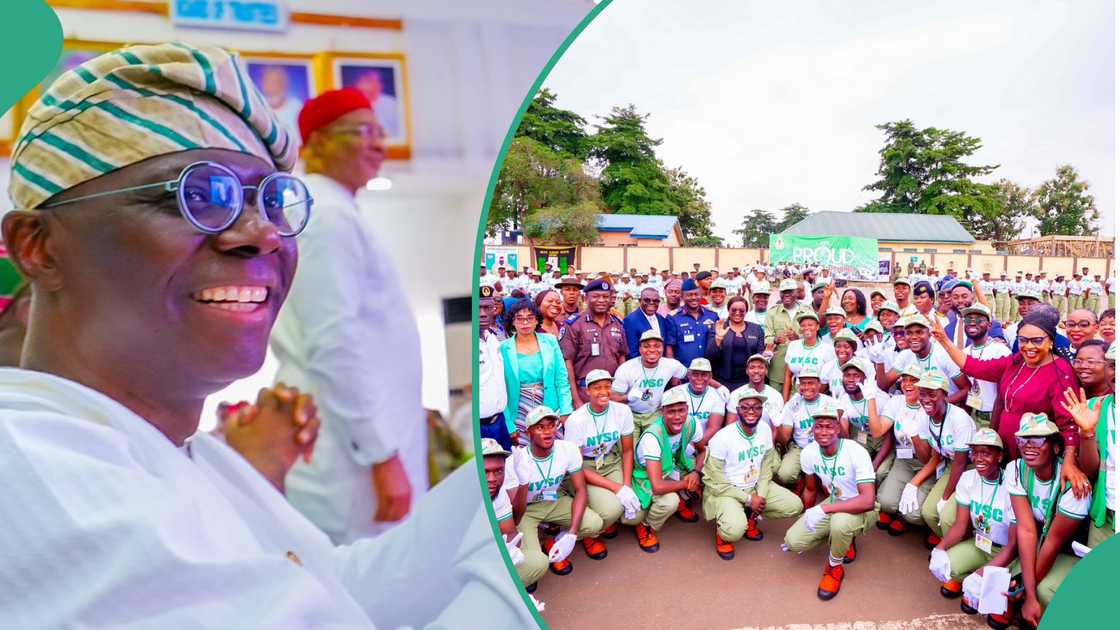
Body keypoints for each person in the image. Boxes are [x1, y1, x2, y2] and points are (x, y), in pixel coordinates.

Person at [0, 43, 530, 629]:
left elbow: (336, 589)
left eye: (275, 201)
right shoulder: (29, 466)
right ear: (38, 247)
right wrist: (527, 562)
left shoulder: (185, 453)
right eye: (197, 195)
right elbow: (337, 342)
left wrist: (507, 481)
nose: (261, 234)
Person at [272, 86, 423, 542]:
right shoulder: (323, 216)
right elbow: (333, 342)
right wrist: (381, 457)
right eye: (363, 131)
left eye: (381, 131)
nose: (379, 143)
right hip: (351, 460)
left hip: (362, 447)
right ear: (315, 142)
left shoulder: (336, 211)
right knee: (365, 589)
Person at [928, 309, 1087, 493]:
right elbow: (975, 367)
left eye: (1037, 340)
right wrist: (944, 340)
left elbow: (1069, 427)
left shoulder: (1061, 372)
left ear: (1051, 341)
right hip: (1007, 447)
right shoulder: (1017, 360)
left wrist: (1069, 462)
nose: (1029, 346)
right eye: (1023, 340)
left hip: (1034, 455)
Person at [782, 405, 878, 601]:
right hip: (835, 500)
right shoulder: (808, 453)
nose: (823, 431)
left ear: (837, 429)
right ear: (812, 430)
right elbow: (810, 488)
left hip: (862, 507)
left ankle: (834, 568)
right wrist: (808, 515)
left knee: (840, 523)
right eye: (818, 427)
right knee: (794, 541)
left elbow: (868, 500)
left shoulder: (855, 451)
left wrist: (824, 508)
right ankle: (841, 539)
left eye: (829, 426)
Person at [1005, 413, 1091, 628]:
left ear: (1055, 447)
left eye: (1037, 440)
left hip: (1069, 549)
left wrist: (1030, 594)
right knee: (1011, 579)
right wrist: (1024, 585)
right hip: (1039, 539)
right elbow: (1026, 530)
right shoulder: (1015, 469)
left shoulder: (1075, 485)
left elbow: (1053, 541)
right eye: (1023, 440)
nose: (1028, 446)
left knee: (1043, 590)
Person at [705, 390, 805, 560]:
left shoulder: (764, 429)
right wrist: (750, 500)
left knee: (795, 505)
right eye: (746, 407)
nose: (751, 411)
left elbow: (766, 468)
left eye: (756, 408)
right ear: (737, 410)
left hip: (754, 484)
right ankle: (723, 533)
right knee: (734, 530)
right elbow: (715, 481)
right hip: (728, 490)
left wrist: (760, 496)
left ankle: (751, 516)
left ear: (761, 410)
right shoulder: (722, 437)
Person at [510, 406, 599, 589]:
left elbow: (580, 490)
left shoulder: (568, 449)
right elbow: (513, 512)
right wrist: (523, 481)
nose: (548, 432)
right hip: (526, 511)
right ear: (529, 432)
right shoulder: (516, 461)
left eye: (551, 426)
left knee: (593, 523)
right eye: (540, 427)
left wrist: (572, 534)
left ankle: (556, 542)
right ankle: (539, 545)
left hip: (554, 500)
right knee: (532, 566)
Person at [928, 428, 1018, 608]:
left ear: (999, 456)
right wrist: (939, 549)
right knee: (947, 566)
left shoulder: (1012, 485)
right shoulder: (968, 478)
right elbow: (961, 525)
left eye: (985, 453)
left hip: (1005, 551)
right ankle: (970, 582)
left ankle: (993, 593)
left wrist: (981, 573)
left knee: (1004, 596)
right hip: (979, 543)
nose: (978, 459)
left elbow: (1014, 545)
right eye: (975, 453)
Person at [561, 369, 639, 561]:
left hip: (610, 461)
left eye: (607, 386)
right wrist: (616, 488)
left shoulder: (622, 411)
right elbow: (576, 468)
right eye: (597, 388)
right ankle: (589, 533)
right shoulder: (576, 420)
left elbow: (628, 450)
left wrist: (626, 486)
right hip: (584, 468)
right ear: (587, 391)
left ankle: (603, 518)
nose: (603, 391)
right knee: (612, 508)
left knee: (634, 511)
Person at [625, 385, 704, 553]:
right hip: (648, 477)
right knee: (670, 502)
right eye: (671, 411)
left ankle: (682, 499)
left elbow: (703, 450)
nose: (677, 417)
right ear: (662, 412)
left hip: (673, 466)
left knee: (709, 472)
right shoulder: (652, 437)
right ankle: (646, 526)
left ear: (687, 409)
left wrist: (696, 473)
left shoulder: (692, 423)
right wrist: (687, 483)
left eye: (681, 410)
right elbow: (658, 486)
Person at [1062, 344, 1116, 548]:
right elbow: (1090, 470)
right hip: (1106, 516)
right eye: (1113, 366)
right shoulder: (1094, 407)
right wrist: (1087, 433)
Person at [913, 372, 975, 547]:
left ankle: (957, 550)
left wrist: (945, 497)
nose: (926, 399)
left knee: (947, 516)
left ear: (945, 395)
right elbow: (927, 457)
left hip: (970, 469)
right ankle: (948, 542)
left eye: (932, 394)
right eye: (923, 394)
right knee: (928, 512)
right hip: (949, 465)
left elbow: (961, 462)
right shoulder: (924, 416)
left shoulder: (959, 418)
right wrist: (914, 437)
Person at [500, 300, 573, 446]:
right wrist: (508, 423)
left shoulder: (550, 341)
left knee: (552, 446)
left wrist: (566, 410)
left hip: (549, 403)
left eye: (530, 318)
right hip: (519, 407)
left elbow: (561, 379)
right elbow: (500, 389)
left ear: (537, 320)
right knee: (525, 450)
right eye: (519, 319)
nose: (525, 323)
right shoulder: (503, 348)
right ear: (512, 322)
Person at [873, 364, 933, 535]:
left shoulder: (929, 405)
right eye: (904, 380)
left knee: (913, 515)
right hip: (903, 458)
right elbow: (878, 431)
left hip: (927, 463)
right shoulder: (897, 401)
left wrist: (914, 436)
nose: (907, 384)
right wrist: (870, 399)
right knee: (885, 502)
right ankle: (895, 509)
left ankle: (903, 516)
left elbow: (927, 457)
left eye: (914, 380)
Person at [560, 278, 628, 406]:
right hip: (585, 392)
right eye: (596, 296)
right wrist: (576, 400)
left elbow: (622, 358)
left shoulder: (617, 324)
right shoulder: (574, 325)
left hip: (612, 392)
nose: (601, 300)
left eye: (605, 296)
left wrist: (620, 392)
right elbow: (567, 364)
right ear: (586, 298)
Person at [873, 314, 968, 403]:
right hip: (921, 408)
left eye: (919, 332)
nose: (914, 337)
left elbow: (966, 389)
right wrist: (879, 361)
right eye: (909, 333)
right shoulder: (905, 355)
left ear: (930, 334)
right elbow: (883, 385)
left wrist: (942, 403)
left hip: (946, 407)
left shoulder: (944, 354)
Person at [611, 329, 686, 437]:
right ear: (640, 349)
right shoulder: (626, 369)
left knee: (654, 449)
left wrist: (675, 392)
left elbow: (692, 375)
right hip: (630, 415)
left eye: (657, 346)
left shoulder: (671, 364)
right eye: (646, 346)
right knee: (630, 451)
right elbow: (612, 398)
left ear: (662, 348)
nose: (652, 350)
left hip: (655, 414)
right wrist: (627, 397)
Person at [775, 365, 839, 486]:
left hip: (825, 448)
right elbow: (784, 439)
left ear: (819, 384)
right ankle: (803, 477)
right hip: (800, 447)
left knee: (833, 481)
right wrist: (778, 425)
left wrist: (839, 412)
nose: (807, 387)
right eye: (803, 383)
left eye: (811, 383)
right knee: (785, 475)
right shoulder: (793, 404)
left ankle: (815, 476)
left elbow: (840, 434)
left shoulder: (829, 402)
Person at [833, 359, 893, 484]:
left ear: (864, 378)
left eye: (856, 376)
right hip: (863, 437)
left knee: (879, 472)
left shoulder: (879, 397)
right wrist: (836, 419)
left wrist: (875, 464)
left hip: (885, 440)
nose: (850, 379)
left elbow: (890, 436)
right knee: (851, 467)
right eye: (847, 375)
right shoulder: (843, 399)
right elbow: (845, 438)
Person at [957, 304, 1011, 430]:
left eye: (978, 320)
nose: (972, 323)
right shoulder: (964, 353)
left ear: (989, 325)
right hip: (975, 414)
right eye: (968, 319)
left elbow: (1002, 396)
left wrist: (992, 429)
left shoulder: (1000, 351)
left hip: (995, 417)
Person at [706, 296, 765, 391]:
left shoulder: (756, 329)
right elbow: (709, 356)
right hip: (723, 382)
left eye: (741, 310)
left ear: (746, 311)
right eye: (734, 310)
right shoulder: (718, 327)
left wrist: (766, 356)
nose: (737, 313)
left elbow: (760, 355)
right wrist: (718, 338)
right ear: (728, 310)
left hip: (749, 382)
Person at [479, 286, 511, 449]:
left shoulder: (491, 338)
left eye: (487, 307)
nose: (483, 313)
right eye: (478, 308)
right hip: (479, 427)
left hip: (499, 422)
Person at [764, 279, 808, 391]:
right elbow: (766, 338)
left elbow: (814, 338)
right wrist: (775, 339)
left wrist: (798, 338)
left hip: (802, 369)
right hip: (778, 370)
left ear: (797, 293)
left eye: (790, 291)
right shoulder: (772, 313)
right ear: (780, 294)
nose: (787, 294)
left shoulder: (807, 311)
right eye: (784, 292)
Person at [784, 312, 838, 401]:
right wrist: (785, 401)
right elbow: (788, 376)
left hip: (818, 396)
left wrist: (811, 398)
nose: (806, 328)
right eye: (803, 325)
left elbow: (828, 380)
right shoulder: (793, 346)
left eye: (810, 325)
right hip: (796, 395)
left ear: (817, 327)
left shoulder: (828, 349)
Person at [670, 278, 719, 367]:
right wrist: (673, 374)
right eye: (689, 295)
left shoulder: (712, 316)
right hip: (684, 371)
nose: (693, 298)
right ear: (682, 297)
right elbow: (669, 347)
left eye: (696, 294)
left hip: (710, 372)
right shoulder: (673, 318)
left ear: (700, 295)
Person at [727, 354, 785, 426]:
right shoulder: (736, 394)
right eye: (752, 367)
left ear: (766, 371)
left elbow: (778, 427)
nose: (756, 371)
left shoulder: (776, 396)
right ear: (747, 371)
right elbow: (730, 426)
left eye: (761, 367)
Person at [623, 286, 677, 360]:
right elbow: (632, 352)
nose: (651, 303)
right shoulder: (631, 320)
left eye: (655, 301)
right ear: (640, 301)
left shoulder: (661, 319)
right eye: (647, 300)